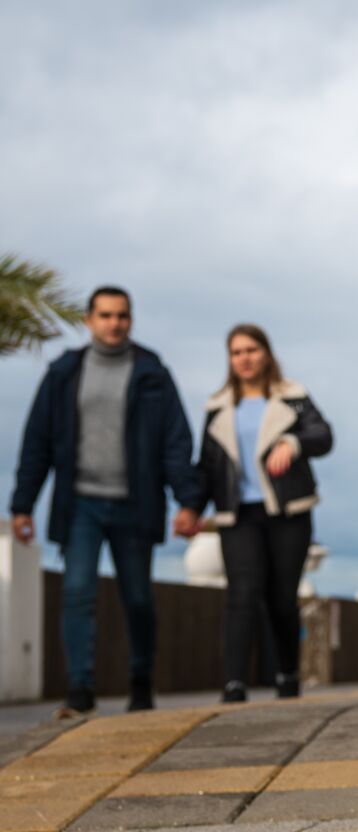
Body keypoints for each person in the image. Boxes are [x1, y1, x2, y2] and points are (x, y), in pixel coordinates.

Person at [10, 286, 202, 717]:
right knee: (77, 592)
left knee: (137, 598)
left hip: (136, 504)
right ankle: (80, 689)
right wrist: (22, 505)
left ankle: (140, 682)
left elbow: (175, 441)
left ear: (131, 320)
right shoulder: (64, 373)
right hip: (80, 504)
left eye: (122, 316)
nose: (115, 324)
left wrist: (187, 500)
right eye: (106, 315)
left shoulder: (152, 373)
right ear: (89, 320)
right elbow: (38, 440)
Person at [189, 324, 332, 703]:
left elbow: (323, 436)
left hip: (288, 512)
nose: (245, 358)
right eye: (236, 352)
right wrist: (190, 509)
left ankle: (287, 675)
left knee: (282, 598)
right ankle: (234, 683)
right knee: (242, 593)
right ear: (229, 359)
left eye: (251, 350)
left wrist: (293, 441)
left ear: (266, 353)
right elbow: (207, 464)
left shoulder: (293, 397)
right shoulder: (217, 406)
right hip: (237, 514)